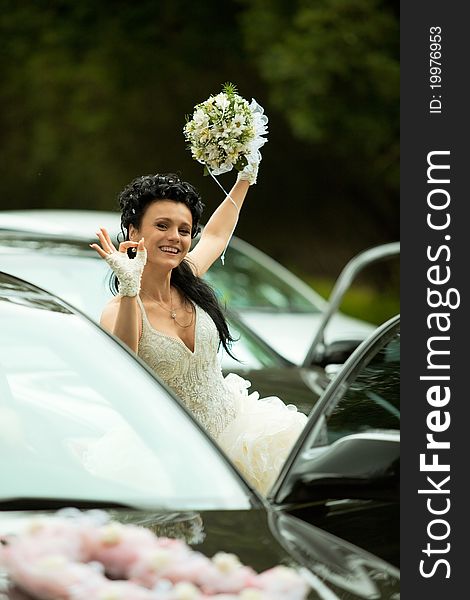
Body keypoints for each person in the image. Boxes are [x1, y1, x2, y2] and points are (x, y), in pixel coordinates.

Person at [91, 165, 307, 495]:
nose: (175, 237)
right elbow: (124, 370)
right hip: (172, 453)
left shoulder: (190, 277)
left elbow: (217, 235)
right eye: (162, 226)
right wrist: (131, 288)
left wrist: (245, 178)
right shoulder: (119, 309)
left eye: (183, 229)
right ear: (134, 232)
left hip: (239, 433)